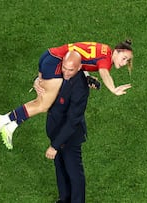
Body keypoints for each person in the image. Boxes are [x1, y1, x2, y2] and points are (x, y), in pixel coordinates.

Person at [0, 39, 133, 149]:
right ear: (117, 51)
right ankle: (3, 120)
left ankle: (11, 126)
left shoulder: (105, 49)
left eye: (127, 60)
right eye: (124, 58)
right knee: (43, 105)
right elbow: (103, 72)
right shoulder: (106, 60)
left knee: (48, 100)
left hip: (50, 56)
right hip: (56, 62)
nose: (125, 62)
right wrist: (113, 89)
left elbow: (80, 59)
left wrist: (86, 77)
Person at [45, 51, 89, 203]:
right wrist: (37, 83)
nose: (66, 72)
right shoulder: (59, 72)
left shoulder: (80, 88)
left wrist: (55, 146)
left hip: (70, 138)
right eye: (64, 67)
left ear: (79, 68)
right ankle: (64, 199)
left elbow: (72, 121)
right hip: (56, 132)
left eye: (71, 69)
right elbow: (45, 79)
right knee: (61, 169)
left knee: (74, 173)